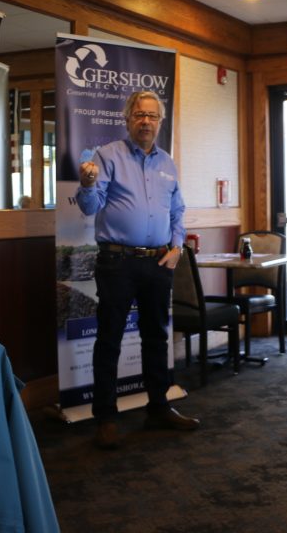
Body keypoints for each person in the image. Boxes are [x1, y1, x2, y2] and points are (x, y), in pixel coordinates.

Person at [76, 90, 195, 449]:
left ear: (160, 122)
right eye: (139, 115)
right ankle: (106, 418)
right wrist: (86, 184)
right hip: (118, 262)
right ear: (128, 119)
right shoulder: (107, 156)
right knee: (110, 338)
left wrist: (176, 247)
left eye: (152, 116)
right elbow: (90, 206)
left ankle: (158, 406)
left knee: (157, 336)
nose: (146, 121)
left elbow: (177, 211)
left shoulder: (167, 163)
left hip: (159, 261)